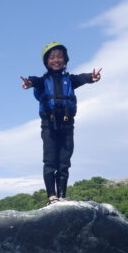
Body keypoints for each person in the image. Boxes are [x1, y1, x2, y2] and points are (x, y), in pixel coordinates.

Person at [20, 42, 101, 205]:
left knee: (64, 162)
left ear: (65, 60)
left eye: (59, 57)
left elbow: (82, 78)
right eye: (52, 57)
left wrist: (91, 78)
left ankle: (62, 195)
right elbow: (35, 81)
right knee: (50, 161)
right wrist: (29, 83)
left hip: (67, 125)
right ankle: (52, 197)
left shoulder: (69, 80)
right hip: (49, 126)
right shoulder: (43, 81)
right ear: (46, 62)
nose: (56, 60)